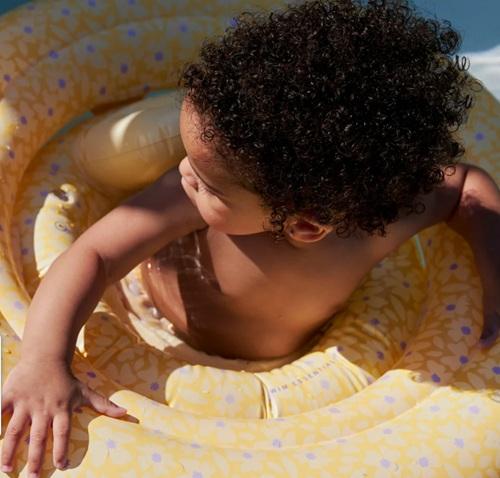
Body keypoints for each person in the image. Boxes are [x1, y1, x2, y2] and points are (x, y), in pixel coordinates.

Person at [2, 0, 499, 476]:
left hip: (287, 357)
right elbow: (95, 253)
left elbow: (465, 187)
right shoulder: (187, 195)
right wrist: (44, 360)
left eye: (207, 183)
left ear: (305, 225)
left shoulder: (394, 211)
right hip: (154, 313)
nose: (182, 173)